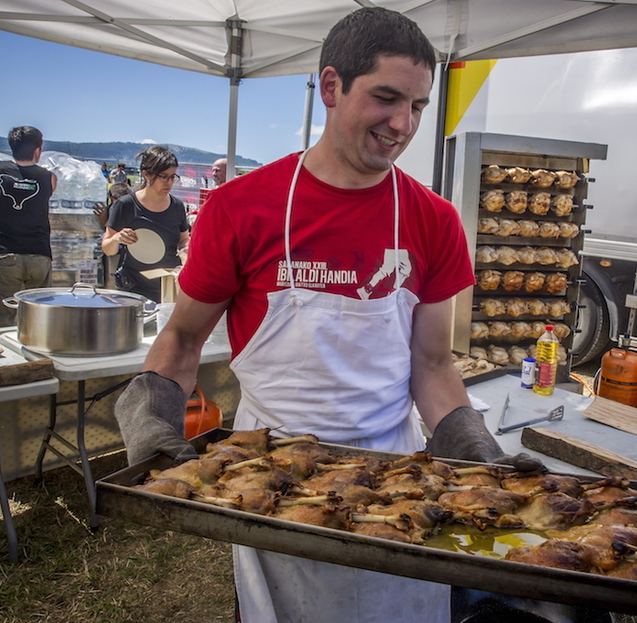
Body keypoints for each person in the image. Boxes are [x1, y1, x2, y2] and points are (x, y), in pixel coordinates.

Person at [113, 8, 540, 623]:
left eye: (417, 106)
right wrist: (153, 426)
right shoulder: (241, 209)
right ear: (333, 86)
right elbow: (181, 338)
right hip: (267, 473)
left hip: (395, 474)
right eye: (387, 98)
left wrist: (480, 453)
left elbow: (432, 363)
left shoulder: (434, 219)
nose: (402, 125)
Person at [0, 126, 57, 328]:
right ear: (38, 150)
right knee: (39, 316)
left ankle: (5, 357)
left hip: (4, 254)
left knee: (1, 317)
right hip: (39, 254)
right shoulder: (49, 177)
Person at [101, 146, 189, 302]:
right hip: (134, 289)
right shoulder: (125, 205)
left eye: (172, 177)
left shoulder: (177, 206)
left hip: (168, 288)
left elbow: (183, 239)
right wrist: (117, 239)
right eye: (163, 176)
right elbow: (107, 248)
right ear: (147, 174)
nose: (169, 183)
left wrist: (186, 251)